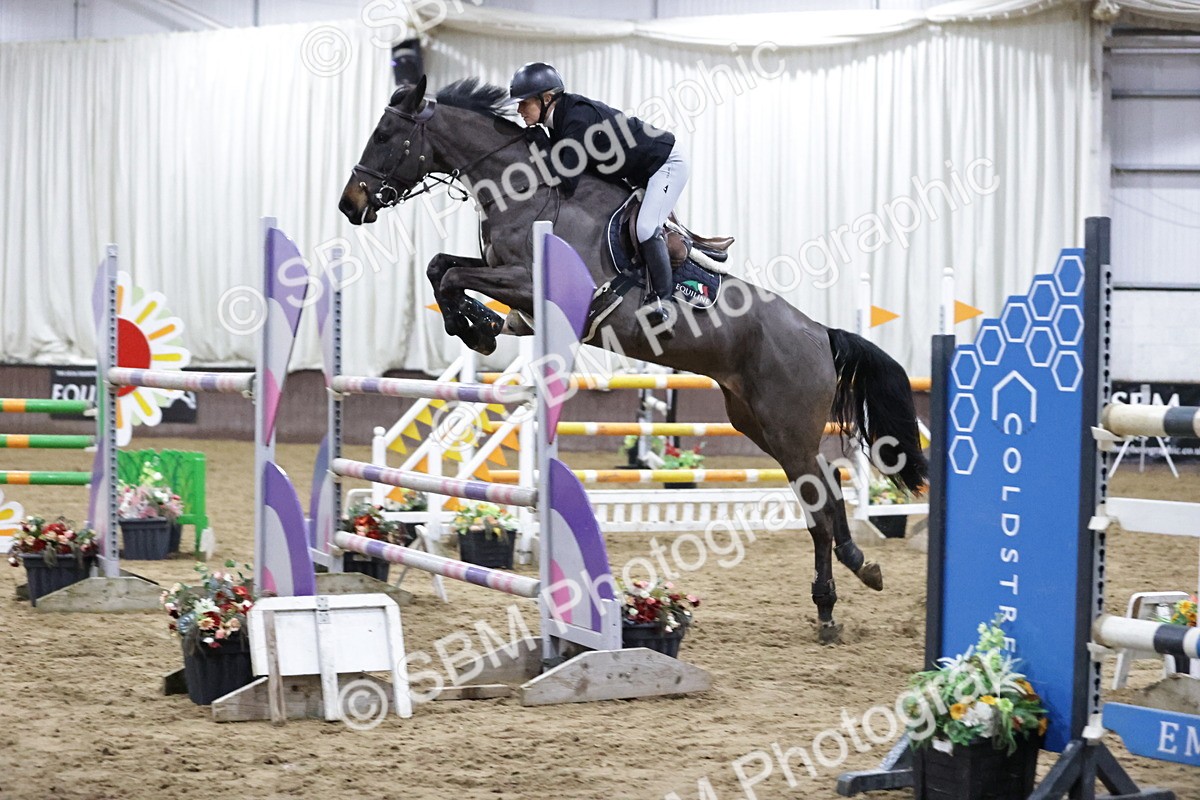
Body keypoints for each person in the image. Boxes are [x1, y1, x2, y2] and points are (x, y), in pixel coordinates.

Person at [510, 62, 687, 327]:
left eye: (524, 102)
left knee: (646, 227)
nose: (519, 110)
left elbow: (566, 181)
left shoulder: (575, 119)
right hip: (639, 172)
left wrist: (541, 144)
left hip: (665, 165)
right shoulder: (558, 121)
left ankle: (664, 303)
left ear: (547, 99)